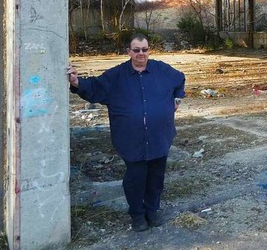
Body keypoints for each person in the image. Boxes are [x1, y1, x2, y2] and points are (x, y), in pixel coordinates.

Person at [67, 34, 185, 232]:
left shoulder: (162, 70)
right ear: (129, 51)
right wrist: (76, 82)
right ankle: (137, 215)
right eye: (136, 50)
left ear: (149, 50)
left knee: (156, 177)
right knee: (135, 177)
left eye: (145, 49)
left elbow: (180, 79)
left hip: (159, 136)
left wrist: (177, 99)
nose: (141, 54)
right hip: (131, 139)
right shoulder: (116, 75)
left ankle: (152, 211)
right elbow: (95, 87)